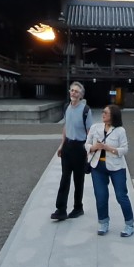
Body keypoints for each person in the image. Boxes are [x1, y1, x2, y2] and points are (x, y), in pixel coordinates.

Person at [86, 104, 134, 237]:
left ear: (113, 116)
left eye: (106, 113)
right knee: (101, 196)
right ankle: (103, 222)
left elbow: (125, 149)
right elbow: (87, 143)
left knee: (121, 196)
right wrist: (93, 147)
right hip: (98, 167)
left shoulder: (120, 131)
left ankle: (129, 224)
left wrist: (108, 148)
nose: (103, 114)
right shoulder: (96, 127)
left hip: (116, 167)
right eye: (103, 112)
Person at [51, 81, 90, 222]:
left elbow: (89, 132)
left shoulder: (86, 110)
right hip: (68, 145)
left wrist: (88, 151)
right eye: (72, 90)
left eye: (76, 92)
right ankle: (61, 209)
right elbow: (66, 127)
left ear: (81, 95)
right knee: (65, 178)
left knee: (78, 179)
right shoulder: (67, 107)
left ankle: (78, 207)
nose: (73, 93)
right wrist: (61, 145)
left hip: (80, 147)